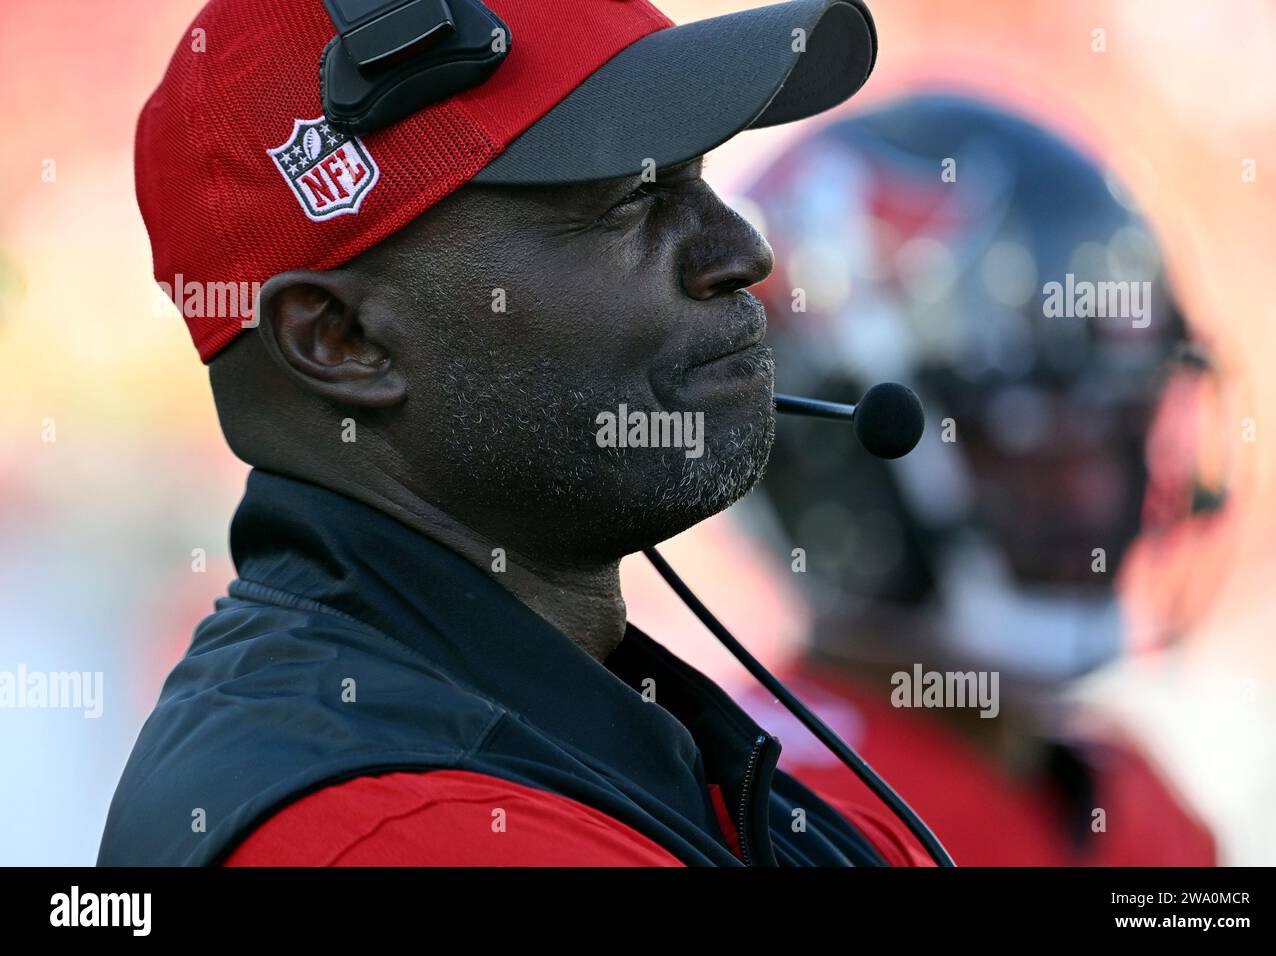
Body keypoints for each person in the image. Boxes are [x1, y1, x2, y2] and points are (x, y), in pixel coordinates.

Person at [98, 0, 935, 867]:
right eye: (632, 199)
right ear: (341, 341)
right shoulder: (397, 833)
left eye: (698, 178)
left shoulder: (621, 739)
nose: (742, 250)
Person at [737, 95, 1219, 865]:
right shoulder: (772, 815)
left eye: (1121, 430)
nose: (1091, 497)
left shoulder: (1140, 802)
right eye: (1024, 438)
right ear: (833, 456)